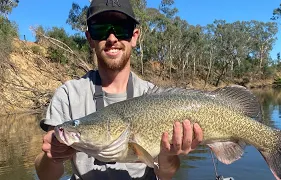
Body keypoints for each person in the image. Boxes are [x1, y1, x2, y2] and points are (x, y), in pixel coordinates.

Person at [34, 0, 203, 179]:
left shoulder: (152, 96)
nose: (112, 39)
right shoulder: (68, 95)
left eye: (121, 28)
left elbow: (166, 175)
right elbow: (47, 176)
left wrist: (168, 156)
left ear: (135, 36)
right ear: (90, 38)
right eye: (100, 29)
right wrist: (52, 157)